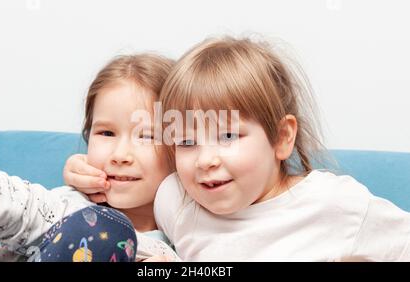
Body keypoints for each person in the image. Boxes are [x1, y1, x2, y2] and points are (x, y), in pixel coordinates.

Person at [65, 36, 410, 261]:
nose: (205, 160)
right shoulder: (177, 197)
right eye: (186, 141)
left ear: (281, 137)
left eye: (228, 137)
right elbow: (126, 196)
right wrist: (83, 172)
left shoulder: (338, 205)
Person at [0, 54, 180, 262]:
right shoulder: (74, 207)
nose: (120, 155)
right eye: (106, 133)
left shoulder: (194, 237)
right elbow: (21, 210)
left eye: (147, 136)